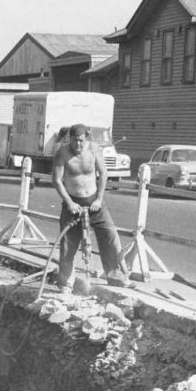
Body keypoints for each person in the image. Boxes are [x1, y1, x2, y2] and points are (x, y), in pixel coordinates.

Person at [51, 123, 130, 292]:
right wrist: (70, 203)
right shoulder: (62, 153)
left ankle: (116, 277)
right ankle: (65, 284)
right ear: (69, 139)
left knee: (110, 237)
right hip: (72, 204)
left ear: (85, 138)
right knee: (67, 245)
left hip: (94, 202)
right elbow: (57, 180)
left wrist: (99, 199)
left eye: (80, 141)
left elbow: (103, 174)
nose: (77, 145)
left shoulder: (94, 149)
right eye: (73, 141)